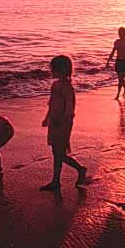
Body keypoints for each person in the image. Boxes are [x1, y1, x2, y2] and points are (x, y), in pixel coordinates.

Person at [40, 55, 87, 191]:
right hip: (54, 122)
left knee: (60, 153)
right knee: (57, 152)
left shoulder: (67, 87)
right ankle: (56, 181)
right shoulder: (55, 85)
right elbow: (51, 104)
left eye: (53, 69)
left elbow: (70, 107)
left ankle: (79, 169)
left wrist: (64, 120)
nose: (51, 71)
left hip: (63, 123)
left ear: (61, 70)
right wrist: (47, 118)